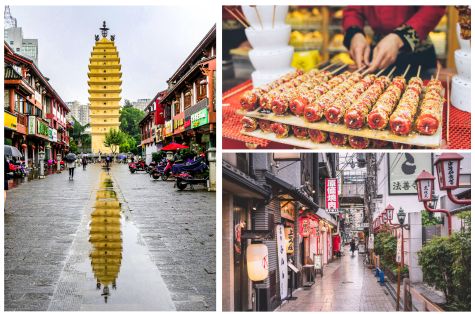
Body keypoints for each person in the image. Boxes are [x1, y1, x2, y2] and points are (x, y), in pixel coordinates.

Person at [343, 6, 446, 77]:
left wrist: (399, 38)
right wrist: (354, 33)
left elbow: (434, 7)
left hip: (418, 54)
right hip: (377, 54)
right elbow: (353, 9)